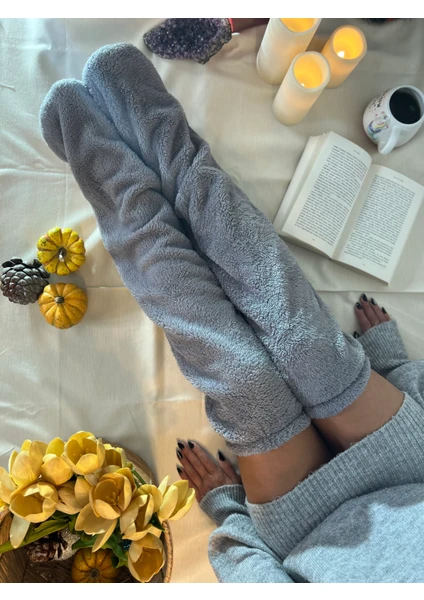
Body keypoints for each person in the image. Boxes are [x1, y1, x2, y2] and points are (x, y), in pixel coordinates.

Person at [40, 43, 424, 583]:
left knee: (241, 375)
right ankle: (166, 138)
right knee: (303, 339)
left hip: (304, 521)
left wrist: (228, 512)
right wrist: (398, 369)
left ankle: (110, 175)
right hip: (406, 464)